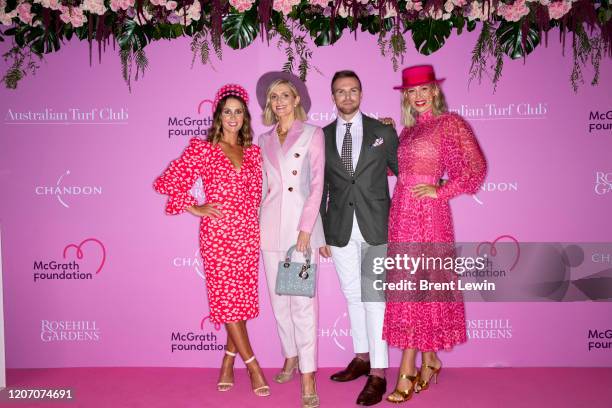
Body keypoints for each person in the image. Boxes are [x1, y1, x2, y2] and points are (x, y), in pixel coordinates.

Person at [153, 84, 270, 397]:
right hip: (217, 237)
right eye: (227, 111)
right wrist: (196, 207)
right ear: (219, 116)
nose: (233, 117)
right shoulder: (202, 150)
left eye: (238, 112)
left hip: (248, 234)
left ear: (245, 117)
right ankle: (254, 366)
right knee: (228, 302)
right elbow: (168, 182)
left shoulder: (255, 153)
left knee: (240, 304)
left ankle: (228, 361)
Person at [382, 65, 487, 403]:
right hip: (401, 213)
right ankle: (431, 359)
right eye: (411, 92)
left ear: (435, 92)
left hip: (429, 216)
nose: (418, 96)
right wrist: (383, 137)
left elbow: (476, 168)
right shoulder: (407, 132)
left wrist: (440, 192)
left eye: (424, 89)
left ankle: (407, 368)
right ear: (406, 97)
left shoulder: (451, 124)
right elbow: (389, 168)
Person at [319, 70, 399, 406]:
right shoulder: (319, 136)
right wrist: (320, 233)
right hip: (338, 228)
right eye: (341, 92)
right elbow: (317, 188)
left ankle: (379, 373)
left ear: (362, 94)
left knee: (374, 299)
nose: (347, 97)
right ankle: (362, 357)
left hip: (376, 225)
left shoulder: (383, 131)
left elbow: (403, 172)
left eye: (353, 91)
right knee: (353, 295)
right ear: (332, 97)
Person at [257, 74, 325, 408]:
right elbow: (261, 189)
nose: (280, 101)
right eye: (274, 97)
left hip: (300, 230)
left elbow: (317, 186)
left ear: (297, 99)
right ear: (268, 104)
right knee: (278, 300)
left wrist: (307, 230)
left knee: (301, 304)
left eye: (285, 95)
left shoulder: (313, 134)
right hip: (269, 228)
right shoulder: (263, 139)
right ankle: (290, 356)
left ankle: (309, 374)